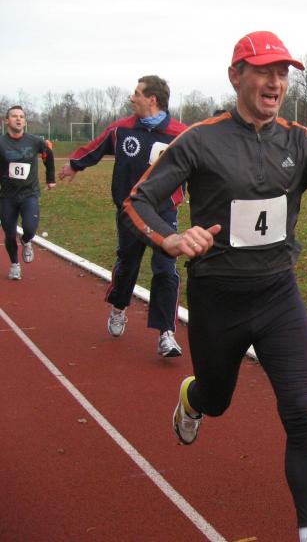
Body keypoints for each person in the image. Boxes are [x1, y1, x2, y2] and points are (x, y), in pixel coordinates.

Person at [122, 30, 307, 542]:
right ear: (236, 76)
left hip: (277, 297)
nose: (276, 82)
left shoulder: (300, 141)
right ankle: (193, 399)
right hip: (216, 300)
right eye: (265, 71)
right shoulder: (200, 140)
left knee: (300, 409)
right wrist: (171, 239)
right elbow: (138, 201)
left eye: (283, 73)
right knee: (217, 398)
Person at [58, 76, 187, 357]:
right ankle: (118, 307)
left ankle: (166, 333)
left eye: (137, 93)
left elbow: (201, 164)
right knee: (128, 264)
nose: (132, 98)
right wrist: (75, 165)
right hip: (130, 211)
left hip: (164, 212)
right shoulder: (121, 129)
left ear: (152, 99)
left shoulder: (181, 134)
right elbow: (96, 147)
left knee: (165, 268)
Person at [0, 106, 56, 280]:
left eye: (21, 117)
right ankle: (15, 265)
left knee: (30, 228)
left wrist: (50, 179)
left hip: (29, 193)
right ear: (6, 121)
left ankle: (26, 240)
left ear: (24, 121)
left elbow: (48, 155)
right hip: (7, 196)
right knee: (9, 234)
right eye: (14, 116)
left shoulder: (35, 141)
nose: (18, 119)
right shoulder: (1, 143)